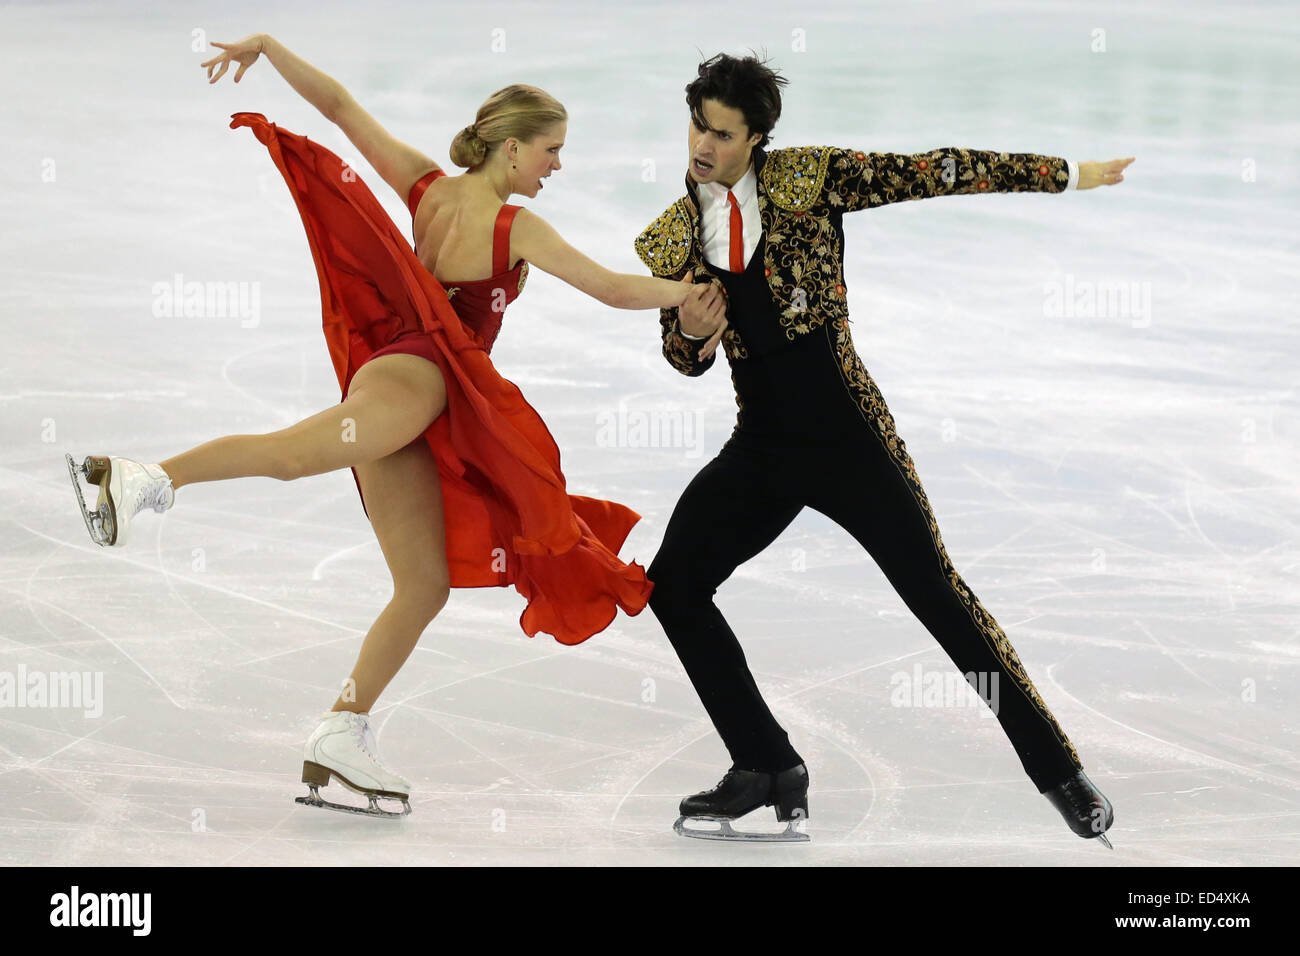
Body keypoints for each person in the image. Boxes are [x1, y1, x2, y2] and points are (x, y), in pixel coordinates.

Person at [65, 33, 722, 817]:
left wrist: (270, 50)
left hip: (407, 385)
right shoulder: (513, 227)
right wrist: (683, 293)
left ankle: (340, 732)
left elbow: (342, 109)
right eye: (550, 150)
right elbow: (612, 290)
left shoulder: (430, 189)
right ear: (511, 149)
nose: (556, 165)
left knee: (422, 586)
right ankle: (140, 479)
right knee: (290, 456)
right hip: (419, 382)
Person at [634, 52, 1135, 843]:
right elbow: (679, 351)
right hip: (762, 444)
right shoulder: (673, 236)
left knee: (937, 595)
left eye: (723, 134)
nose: (703, 145)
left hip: (849, 437)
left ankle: (1059, 771)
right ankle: (766, 763)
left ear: (757, 136)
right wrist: (692, 338)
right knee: (672, 586)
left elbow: (938, 170)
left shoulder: (812, 179)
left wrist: (1069, 172)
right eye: (698, 123)